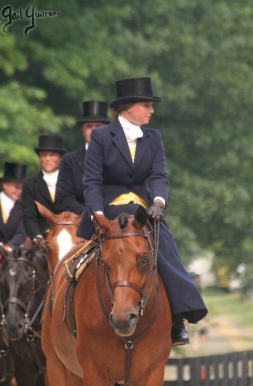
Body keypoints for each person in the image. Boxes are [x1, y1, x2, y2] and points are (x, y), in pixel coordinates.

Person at [78, 76, 208, 346]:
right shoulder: (101, 136)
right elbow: (91, 182)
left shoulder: (154, 137)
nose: (152, 111)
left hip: (142, 211)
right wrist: (98, 215)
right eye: (146, 105)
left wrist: (158, 202)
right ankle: (69, 315)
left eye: (152, 106)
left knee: (166, 247)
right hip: (107, 210)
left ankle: (177, 318)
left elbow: (159, 175)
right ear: (127, 108)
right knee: (73, 264)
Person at [57, 101, 110, 214]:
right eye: (89, 127)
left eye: (98, 126)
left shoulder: (118, 157)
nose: (94, 131)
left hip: (116, 218)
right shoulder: (70, 160)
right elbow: (65, 198)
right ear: (83, 131)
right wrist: (90, 215)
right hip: (81, 219)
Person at [21, 134, 66, 246]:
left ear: (60, 157)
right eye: (44, 155)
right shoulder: (29, 184)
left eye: (52, 155)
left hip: (67, 235)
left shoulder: (69, 181)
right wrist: (37, 238)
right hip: (42, 239)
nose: (47, 159)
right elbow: (29, 217)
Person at [0, 161, 28, 254]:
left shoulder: (23, 209)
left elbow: (21, 233)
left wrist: (8, 248)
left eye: (21, 188)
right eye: (16, 187)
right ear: (5, 185)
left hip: (13, 254)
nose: (19, 191)